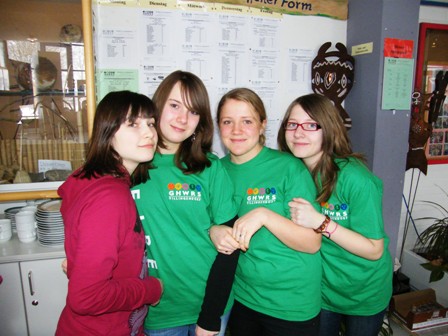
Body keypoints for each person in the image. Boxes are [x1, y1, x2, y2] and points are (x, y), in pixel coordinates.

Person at [131, 70, 240, 336]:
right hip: (160, 309)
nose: (182, 118)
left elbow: (230, 248)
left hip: (212, 305)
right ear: (158, 105)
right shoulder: (132, 164)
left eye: (193, 111)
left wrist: (210, 317)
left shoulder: (210, 167)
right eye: (175, 105)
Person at [206, 87, 322, 336]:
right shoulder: (214, 170)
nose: (236, 130)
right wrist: (213, 230)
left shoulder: (289, 168)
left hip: (291, 304)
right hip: (243, 298)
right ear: (218, 126)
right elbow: (203, 220)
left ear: (262, 125)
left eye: (247, 121)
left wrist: (265, 216)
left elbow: (312, 242)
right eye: (228, 122)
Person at [277, 93, 393, 336]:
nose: (298, 133)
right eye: (292, 124)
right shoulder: (291, 172)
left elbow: (374, 250)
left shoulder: (356, 179)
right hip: (322, 290)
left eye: (311, 125)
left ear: (328, 129)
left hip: (362, 291)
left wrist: (321, 222)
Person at [56, 91, 163, 336]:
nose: (149, 132)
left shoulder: (91, 179)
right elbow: (86, 297)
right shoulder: (110, 198)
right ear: (108, 131)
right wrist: (151, 290)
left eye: (150, 123)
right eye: (133, 124)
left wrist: (78, 268)